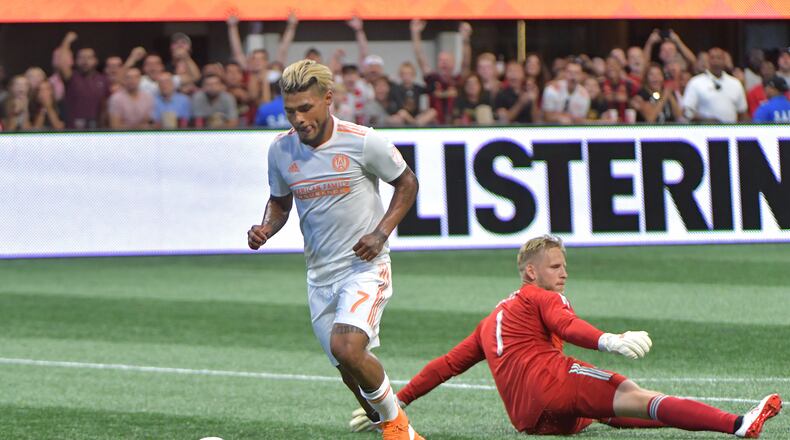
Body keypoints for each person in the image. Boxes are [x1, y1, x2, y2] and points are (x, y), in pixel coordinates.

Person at [349, 235, 783, 437]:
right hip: (553, 386)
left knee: (609, 412)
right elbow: (566, 326)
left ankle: (708, 421)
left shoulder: (488, 324)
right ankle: (737, 424)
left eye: (565, 264)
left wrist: (396, 402)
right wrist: (608, 340)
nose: (564, 271)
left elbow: (445, 366)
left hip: (531, 422)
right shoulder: (537, 297)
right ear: (530, 272)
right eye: (556, 265)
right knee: (629, 390)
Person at [246, 59, 424, 439]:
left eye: (305, 108)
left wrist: (380, 233)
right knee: (348, 369)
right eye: (290, 111)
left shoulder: (363, 141)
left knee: (347, 347)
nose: (297, 118)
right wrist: (266, 227)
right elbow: (280, 203)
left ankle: (401, 430)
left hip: (365, 266)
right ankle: (390, 428)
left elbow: (407, 183)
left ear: (328, 99)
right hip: (319, 273)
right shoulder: (280, 151)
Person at [53, 32, 110, 129]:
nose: (85, 61)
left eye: (89, 57)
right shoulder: (71, 77)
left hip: (96, 130)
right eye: (81, 57)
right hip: (73, 130)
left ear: (95, 60)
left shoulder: (103, 80)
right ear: (75, 61)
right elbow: (61, 64)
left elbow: (106, 105)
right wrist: (66, 42)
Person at [682, 47, 748, 123]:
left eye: (719, 58)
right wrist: (706, 120)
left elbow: (742, 112)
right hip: (704, 131)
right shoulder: (696, 82)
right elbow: (687, 111)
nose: (716, 61)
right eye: (712, 58)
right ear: (708, 60)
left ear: (724, 61)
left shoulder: (735, 83)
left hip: (730, 132)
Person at [542, 60, 590, 124]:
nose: (573, 76)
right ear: (564, 73)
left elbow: (581, 120)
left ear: (581, 76)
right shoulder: (552, 89)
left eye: (576, 73)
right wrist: (559, 118)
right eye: (570, 72)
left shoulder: (584, 95)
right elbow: (546, 116)